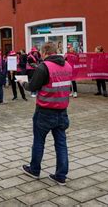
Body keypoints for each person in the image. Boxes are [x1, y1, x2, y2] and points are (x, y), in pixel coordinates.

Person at [18, 42, 72, 185]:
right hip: (62, 111)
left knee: (39, 141)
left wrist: (23, 83)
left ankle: (34, 169)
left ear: (45, 52)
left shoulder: (44, 67)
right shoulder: (68, 66)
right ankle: (61, 175)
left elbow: (33, 87)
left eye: (41, 53)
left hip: (45, 111)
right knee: (61, 143)